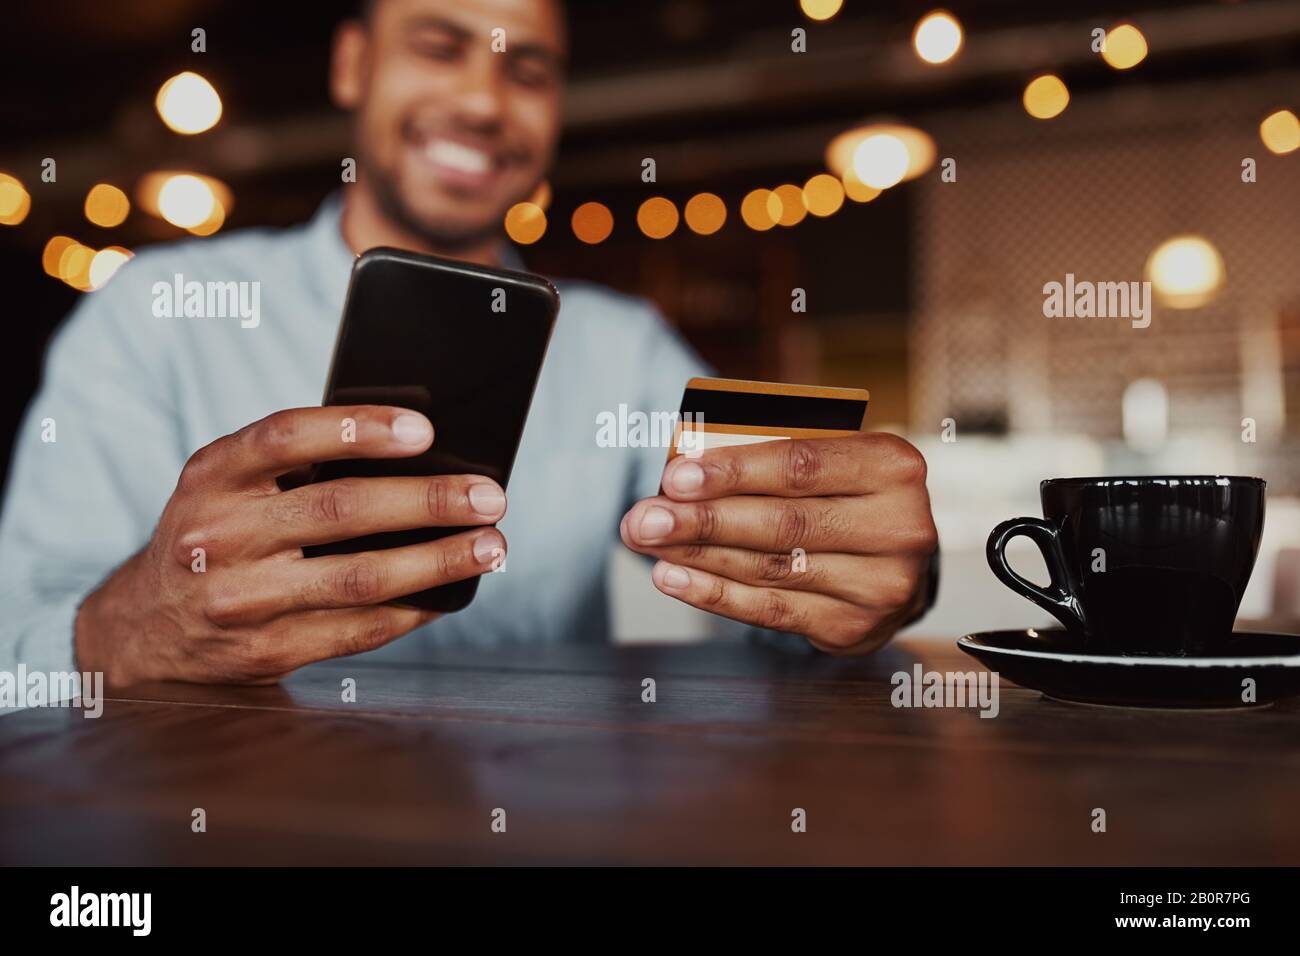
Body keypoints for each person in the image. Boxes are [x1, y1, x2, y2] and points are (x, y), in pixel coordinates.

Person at [0, 0, 938, 688]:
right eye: (440, 47)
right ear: (352, 65)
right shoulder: (155, 309)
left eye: (527, 71)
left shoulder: (626, 348)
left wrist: (869, 579)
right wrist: (132, 627)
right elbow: (17, 646)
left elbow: (774, 583)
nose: (486, 101)